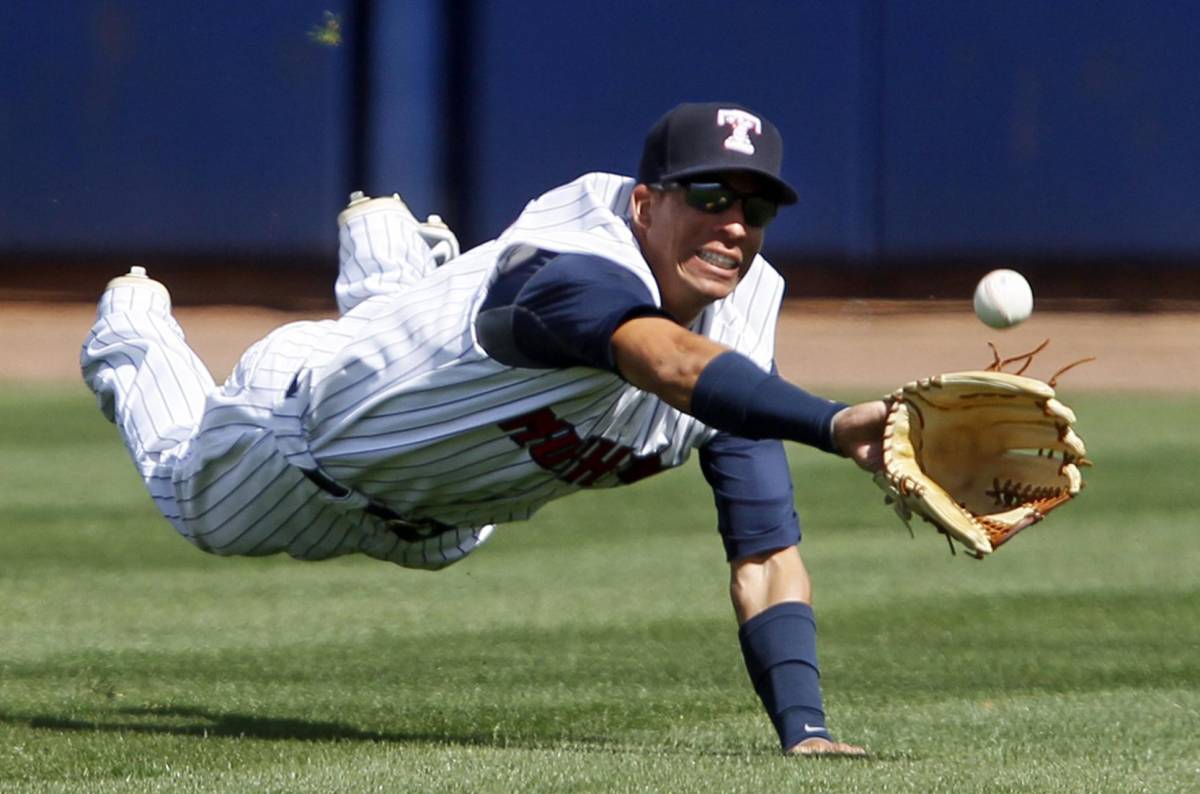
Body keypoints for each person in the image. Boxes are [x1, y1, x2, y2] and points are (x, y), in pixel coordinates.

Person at [82, 102, 887, 756]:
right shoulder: (575, 266)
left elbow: (768, 554)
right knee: (193, 499)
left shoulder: (741, 337)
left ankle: (397, 262)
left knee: (423, 346)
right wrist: (834, 421)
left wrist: (805, 731)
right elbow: (669, 363)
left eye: (756, 207)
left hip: (446, 521)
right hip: (301, 441)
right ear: (645, 203)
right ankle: (132, 325)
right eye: (709, 197)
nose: (734, 225)